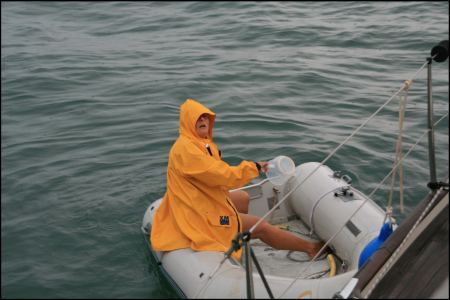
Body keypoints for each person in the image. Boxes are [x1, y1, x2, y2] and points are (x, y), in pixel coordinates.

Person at [150, 98, 323, 261]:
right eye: (197, 118)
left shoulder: (197, 143)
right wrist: (253, 167)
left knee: (243, 198)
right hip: (196, 213)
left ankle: (238, 235)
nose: (203, 120)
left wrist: (255, 167)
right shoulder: (187, 150)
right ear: (188, 122)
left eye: (206, 117)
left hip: (198, 200)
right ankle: (311, 249)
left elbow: (212, 176)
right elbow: (222, 175)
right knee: (259, 225)